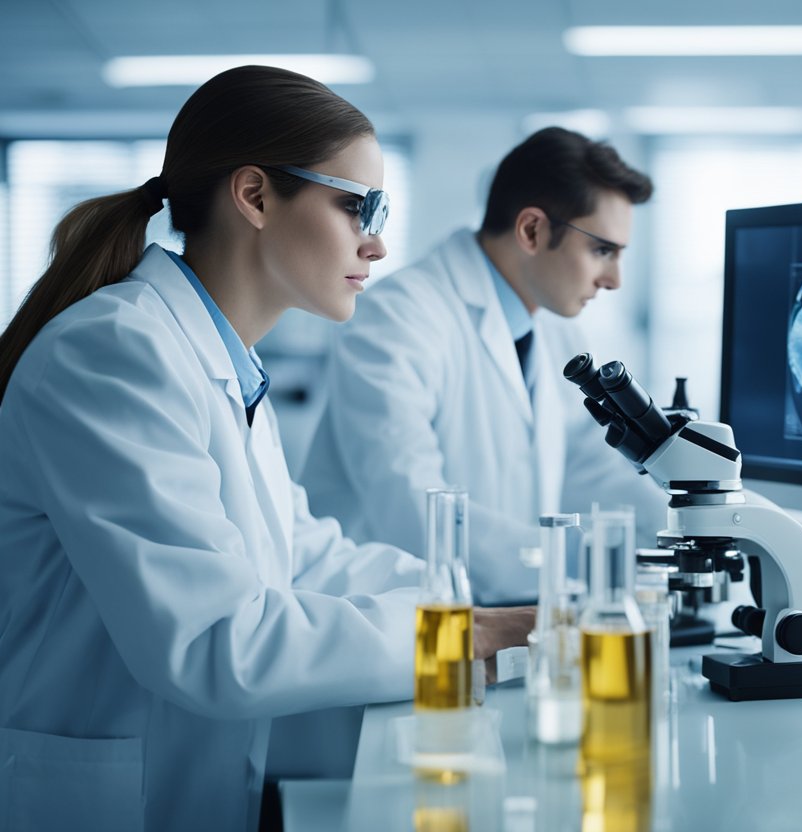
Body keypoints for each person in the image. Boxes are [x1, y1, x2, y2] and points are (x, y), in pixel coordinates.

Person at [0, 66, 531, 832]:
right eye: (359, 207)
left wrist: (478, 605)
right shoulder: (113, 351)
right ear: (253, 196)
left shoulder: (221, 361)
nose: (376, 245)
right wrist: (459, 636)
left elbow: (303, 556)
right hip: (90, 801)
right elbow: (217, 642)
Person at [302, 127, 667, 605]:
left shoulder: (556, 330)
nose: (615, 280)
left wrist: (689, 523)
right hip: (386, 618)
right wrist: (579, 563)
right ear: (532, 230)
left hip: (499, 613)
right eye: (602, 250)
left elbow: (590, 464)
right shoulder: (399, 316)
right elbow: (415, 507)